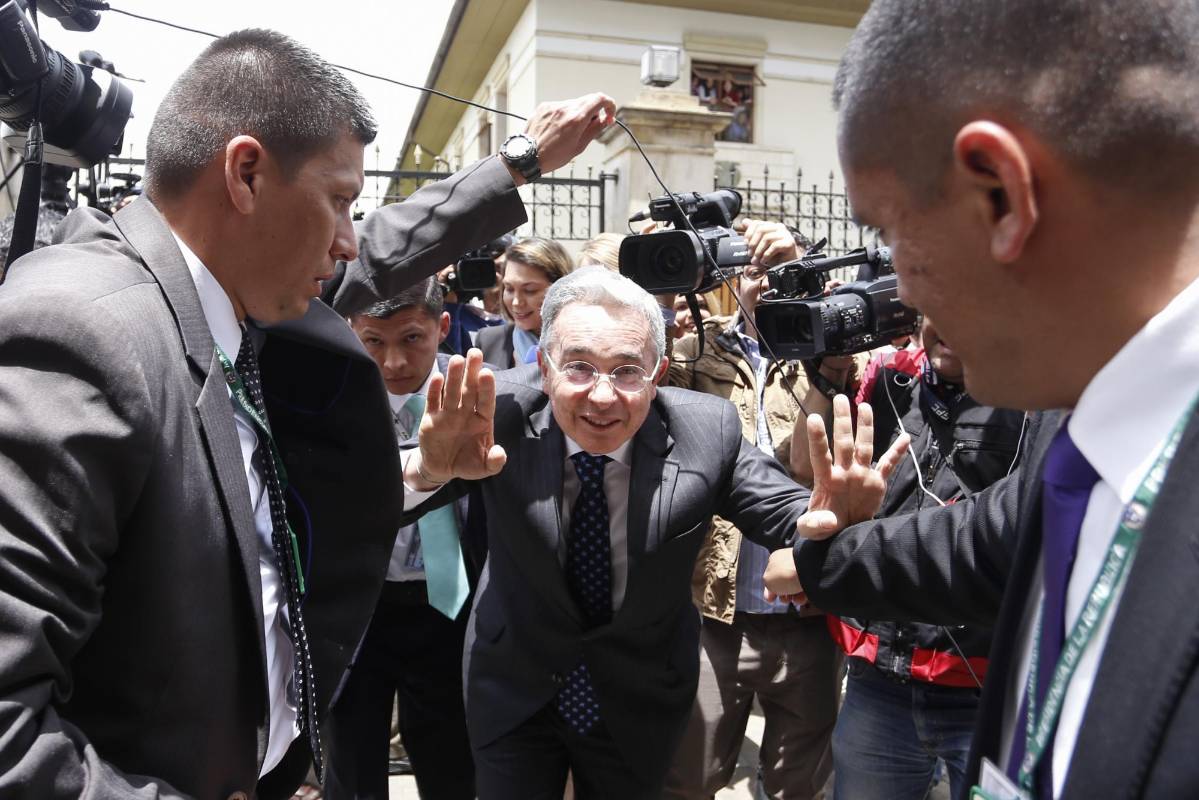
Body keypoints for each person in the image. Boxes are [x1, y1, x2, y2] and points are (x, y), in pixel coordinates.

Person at [0, 26, 613, 799]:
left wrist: (517, 164)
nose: (352, 243)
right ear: (247, 175)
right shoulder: (81, 332)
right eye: (340, 201)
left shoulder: (222, 298)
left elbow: (391, 245)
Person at [765, 1, 1199, 797]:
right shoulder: (1073, 418)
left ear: (998, 193)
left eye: (890, 235)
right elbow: (990, 541)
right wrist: (822, 563)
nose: (895, 296)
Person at [401, 266, 909, 799]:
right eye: (577, 367)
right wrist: (426, 471)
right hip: (514, 681)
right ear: (543, 367)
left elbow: (790, 511)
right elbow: (377, 503)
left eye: (626, 372)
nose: (601, 396)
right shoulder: (494, 409)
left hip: (638, 695)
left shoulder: (705, 431)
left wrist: (839, 523)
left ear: (659, 372)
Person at [792, 317, 1026, 800]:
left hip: (988, 690)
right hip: (878, 685)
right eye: (936, 302)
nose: (951, 319)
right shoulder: (888, 378)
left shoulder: (1034, 401)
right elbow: (804, 467)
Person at [661, 220, 849, 800]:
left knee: (802, 787)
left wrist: (821, 352)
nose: (764, 283)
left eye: (782, 271)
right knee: (689, 778)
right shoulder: (699, 349)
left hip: (806, 620)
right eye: (755, 270)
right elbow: (647, 380)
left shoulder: (835, 358)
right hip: (712, 613)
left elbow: (804, 466)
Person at [325, 277, 488, 800]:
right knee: (350, 764)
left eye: (411, 339)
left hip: (449, 608)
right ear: (351, 331)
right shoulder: (328, 403)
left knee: (451, 765)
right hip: (358, 613)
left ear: (442, 327)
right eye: (375, 341)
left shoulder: (481, 399)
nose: (394, 362)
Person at [477, 236, 575, 368]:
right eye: (509, 289)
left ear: (560, 288)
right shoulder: (488, 340)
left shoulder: (580, 343)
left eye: (530, 290)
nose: (517, 302)